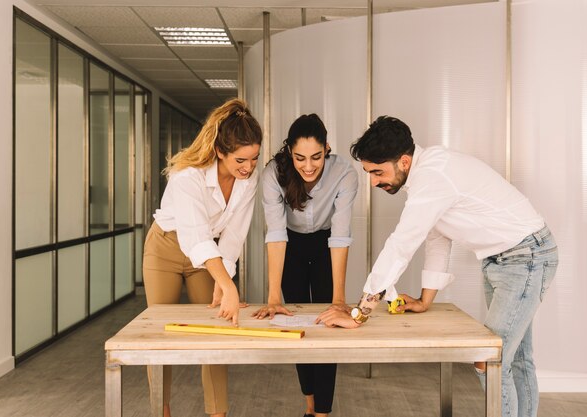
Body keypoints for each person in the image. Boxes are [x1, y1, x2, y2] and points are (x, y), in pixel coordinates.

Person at [318, 116, 559, 417]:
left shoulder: (433, 176)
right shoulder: (427, 174)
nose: (374, 181)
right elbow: (438, 237)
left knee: (490, 358)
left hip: (525, 257)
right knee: (515, 357)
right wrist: (424, 300)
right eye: (369, 173)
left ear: (404, 162)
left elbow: (402, 244)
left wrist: (360, 312)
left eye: (377, 172)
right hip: (504, 258)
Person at [142, 98, 262, 417]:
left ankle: (217, 412)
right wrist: (229, 285)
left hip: (210, 251)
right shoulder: (187, 177)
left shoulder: (247, 179)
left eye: (254, 158)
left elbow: (235, 234)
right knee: (160, 331)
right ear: (221, 152)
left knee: (215, 328)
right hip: (166, 248)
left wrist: (225, 283)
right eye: (241, 159)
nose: (248, 167)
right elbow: (194, 237)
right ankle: (162, 409)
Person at [252, 114, 358, 417]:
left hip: (326, 245)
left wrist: (339, 299)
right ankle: (310, 406)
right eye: (300, 158)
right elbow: (275, 232)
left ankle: (323, 413)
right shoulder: (273, 174)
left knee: (329, 325)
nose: (308, 166)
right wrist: (274, 297)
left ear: (327, 149)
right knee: (296, 322)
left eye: (316, 157)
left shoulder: (344, 174)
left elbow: (340, 235)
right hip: (291, 246)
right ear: (289, 152)